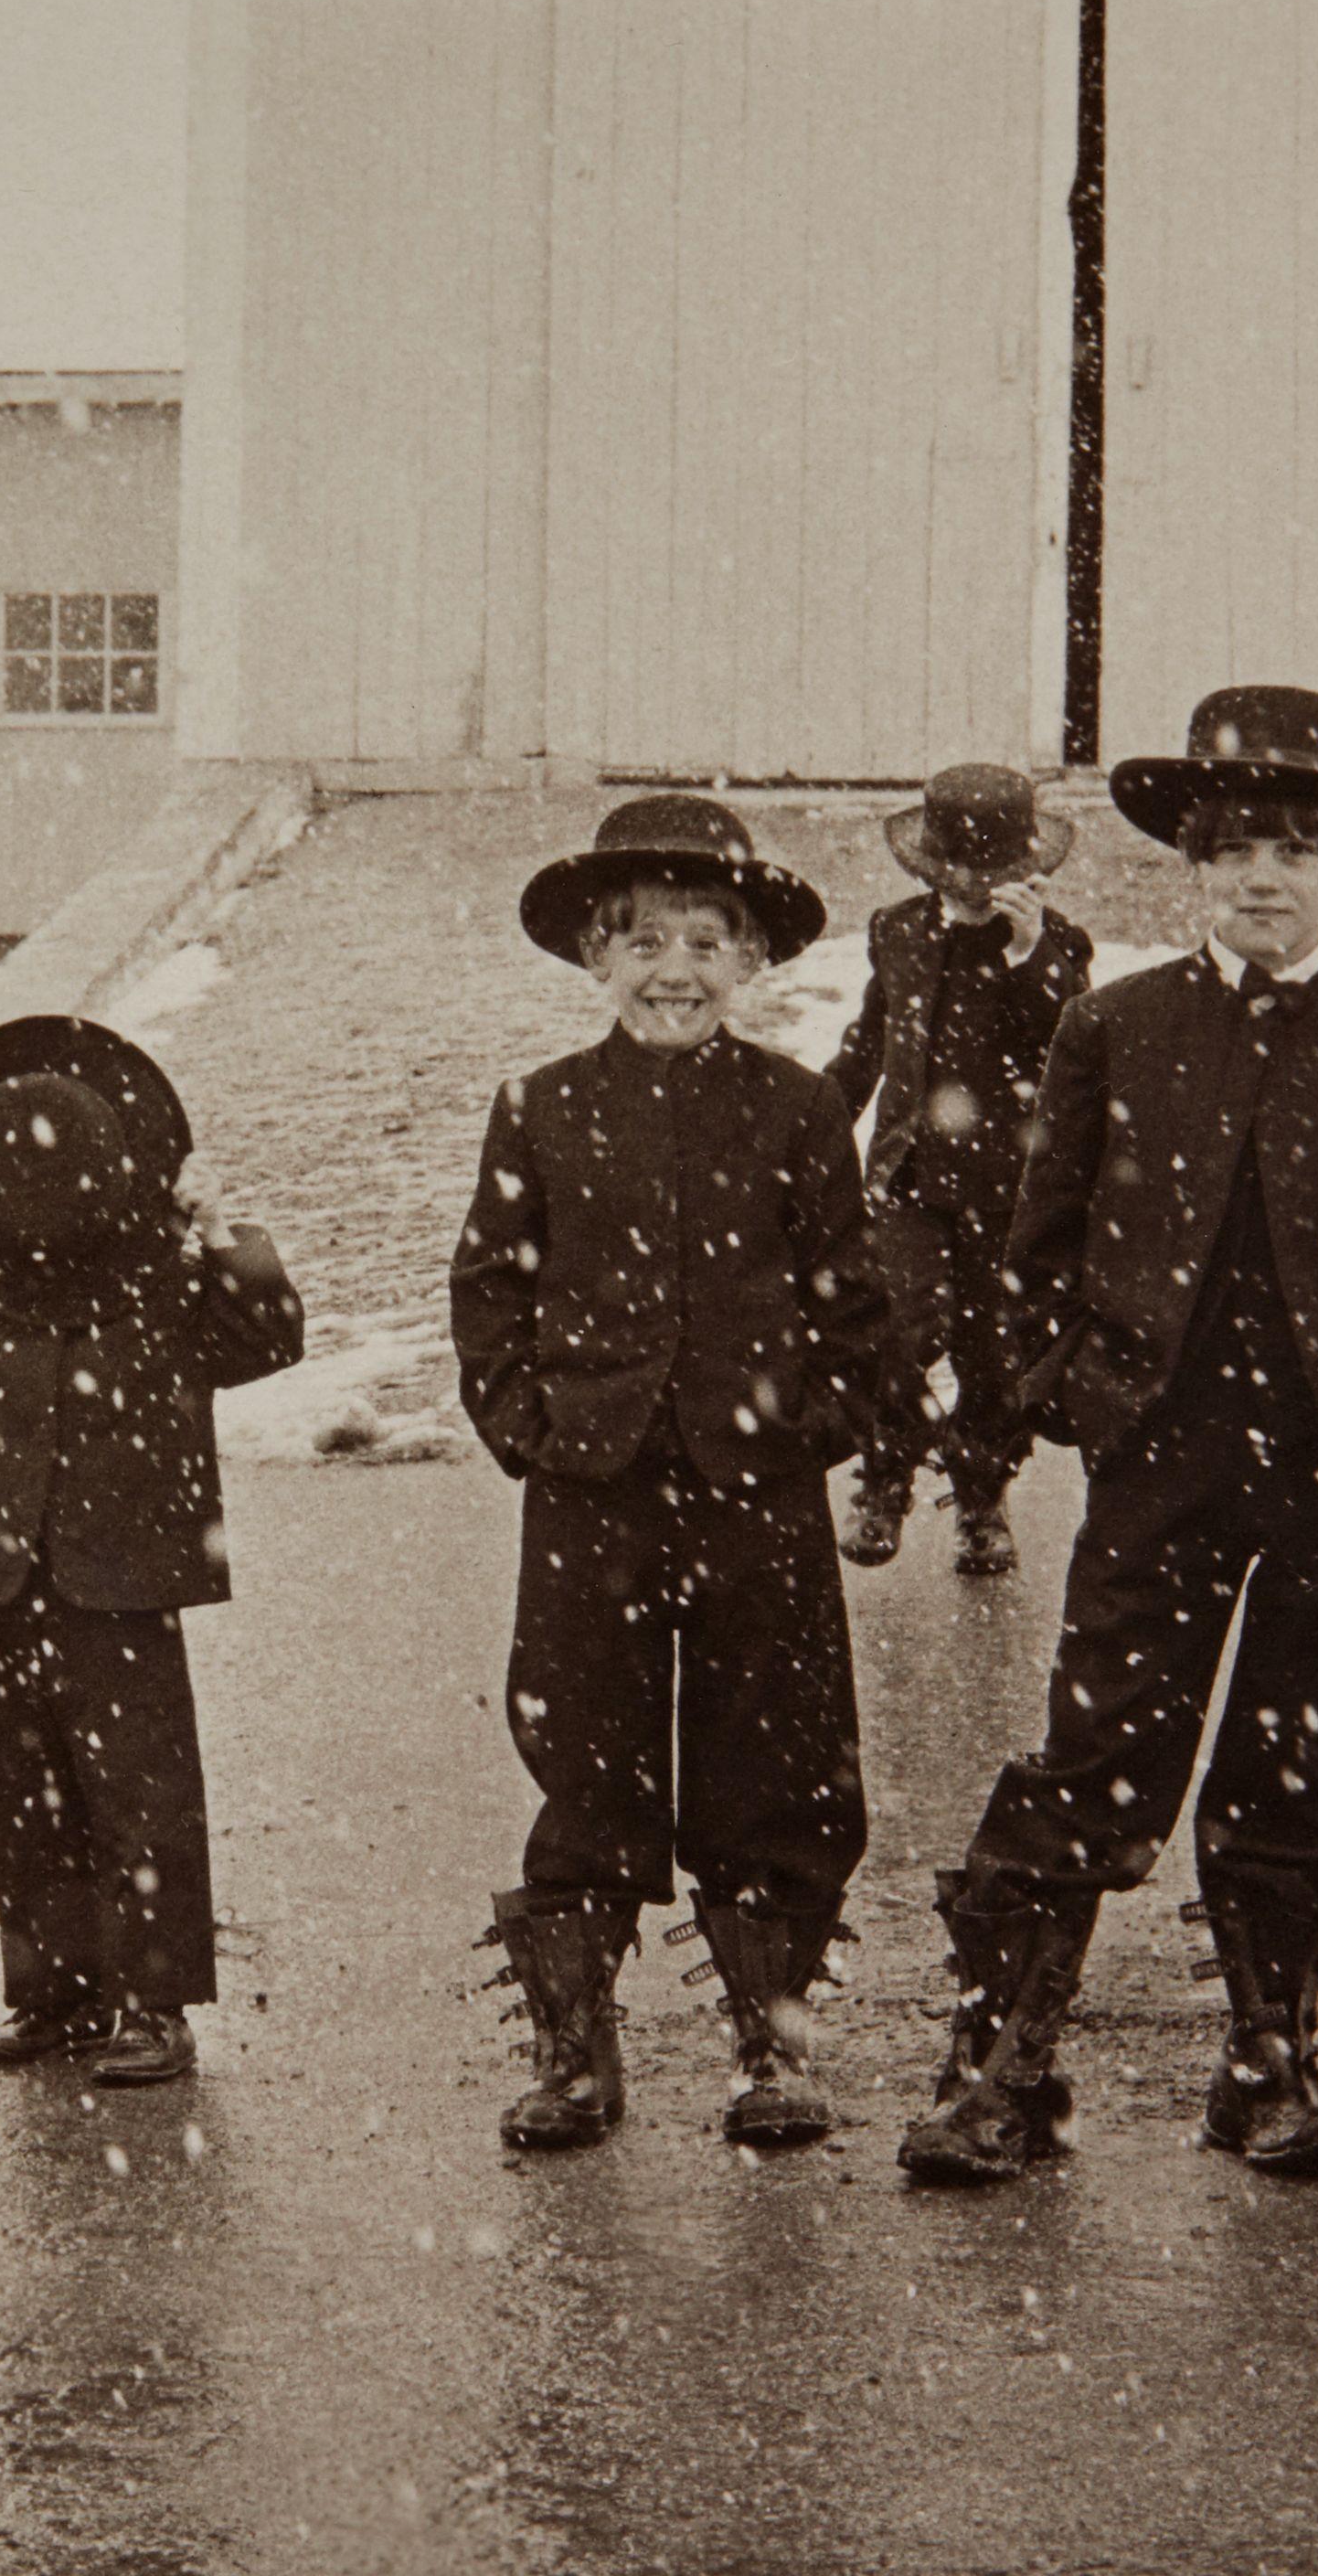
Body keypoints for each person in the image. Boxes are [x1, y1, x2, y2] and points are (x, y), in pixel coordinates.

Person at [898, 688, 1318, 2187]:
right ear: (1189, 862)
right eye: (1233, 845)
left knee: (1301, 1756)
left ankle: (1266, 2059)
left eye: (1298, 848)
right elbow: (1034, 1246)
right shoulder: (1114, 1027)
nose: (1262, 876)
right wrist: (1070, 1391)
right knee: (1098, 1747)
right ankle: (1003, 2057)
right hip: (1159, 1454)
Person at [449, 797, 886, 2150]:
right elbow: (487, 1292)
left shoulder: (801, 1109)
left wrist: (811, 1425)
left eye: (706, 940)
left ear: (749, 961)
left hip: (757, 1487)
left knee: (777, 1755)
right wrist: (530, 1423)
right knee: (585, 1750)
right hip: (592, 1483)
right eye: (643, 941)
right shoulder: (541, 1109)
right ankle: (576, 2049)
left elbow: (853, 1300)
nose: (674, 969)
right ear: (597, 956)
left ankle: (773, 2039)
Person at [0, 1015, 305, 2087]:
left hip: (129, 1568)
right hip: (5, 1572)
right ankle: (54, 1993)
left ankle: (155, 2004)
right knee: (26, 1787)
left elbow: (268, 1337)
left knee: (141, 1789)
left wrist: (220, 1227)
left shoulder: (165, 1269)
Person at [824, 764, 1094, 1576]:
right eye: (962, 876)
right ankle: (884, 1473)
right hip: (909, 1175)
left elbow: (1071, 1057)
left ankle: (980, 1491)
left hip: (1009, 1188)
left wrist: (1028, 956)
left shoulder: (1057, 946)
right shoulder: (898, 931)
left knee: (994, 1353)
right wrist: (814, 1122)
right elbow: (870, 1041)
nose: (980, 890)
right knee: (897, 1328)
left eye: (1002, 876)